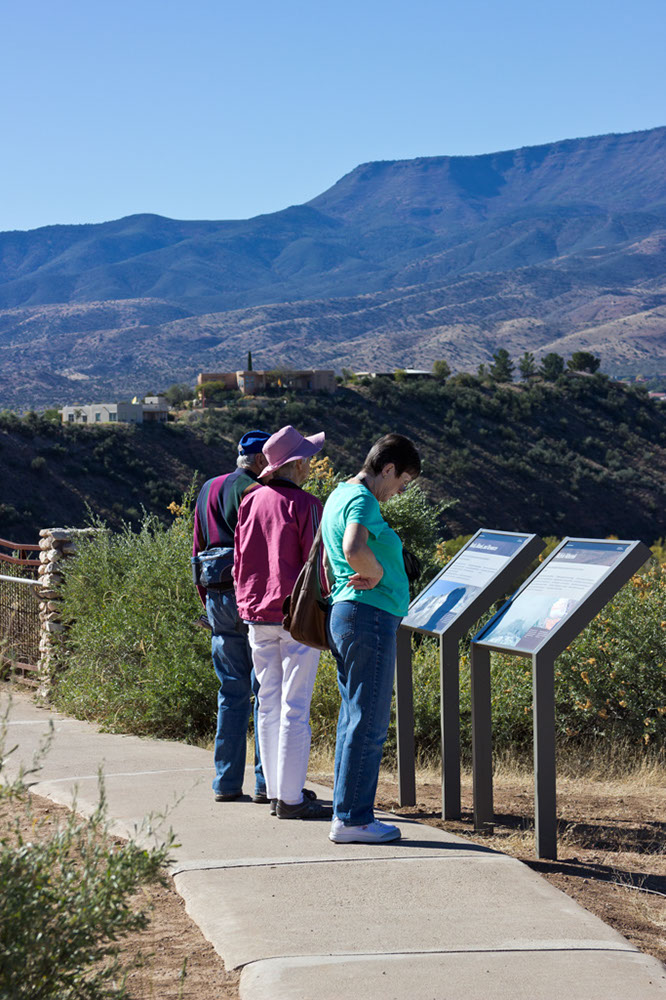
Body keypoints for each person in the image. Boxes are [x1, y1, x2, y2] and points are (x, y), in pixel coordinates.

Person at [321, 433, 421, 843]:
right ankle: (353, 820)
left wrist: (346, 583)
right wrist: (376, 574)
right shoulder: (363, 500)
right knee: (369, 721)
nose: (400, 492)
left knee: (353, 718)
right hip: (369, 616)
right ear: (388, 469)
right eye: (403, 482)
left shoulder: (338, 496)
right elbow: (350, 547)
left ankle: (347, 812)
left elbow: (328, 557)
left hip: (348, 614)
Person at [234, 425, 331, 820]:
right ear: (296, 463)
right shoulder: (308, 506)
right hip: (296, 616)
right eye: (306, 457)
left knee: (269, 702)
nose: (310, 464)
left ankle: (276, 791)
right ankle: (291, 798)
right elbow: (319, 566)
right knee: (295, 705)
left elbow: (240, 559)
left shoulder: (250, 501)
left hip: (256, 613)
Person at [192, 430, 270, 803]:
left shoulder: (208, 487)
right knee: (264, 692)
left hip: (217, 600)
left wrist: (206, 602)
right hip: (252, 601)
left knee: (231, 692)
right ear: (258, 461)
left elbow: (197, 548)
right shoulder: (257, 492)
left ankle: (225, 783)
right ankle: (264, 783)